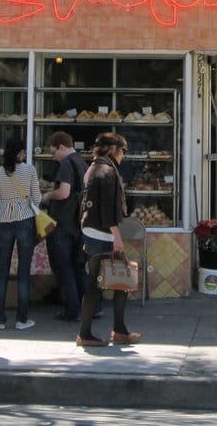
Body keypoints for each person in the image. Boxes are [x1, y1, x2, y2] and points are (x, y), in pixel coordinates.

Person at [77, 132, 142, 347]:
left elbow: (85, 202)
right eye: (123, 150)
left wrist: (85, 232)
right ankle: (87, 334)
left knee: (117, 282)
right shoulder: (107, 172)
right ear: (113, 149)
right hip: (103, 233)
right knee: (107, 282)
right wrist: (117, 238)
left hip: (92, 231)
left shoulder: (93, 168)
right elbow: (106, 209)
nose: (124, 155)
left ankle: (119, 330)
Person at [0, 138, 40, 331]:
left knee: (2, 272)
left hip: (4, 221)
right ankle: (22, 319)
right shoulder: (30, 170)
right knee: (24, 272)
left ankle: (0, 320)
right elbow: (37, 198)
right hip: (25, 220)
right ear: (21, 153)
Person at [41, 131, 90, 322]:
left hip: (63, 223)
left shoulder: (66, 164)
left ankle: (72, 310)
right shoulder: (82, 162)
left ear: (62, 147)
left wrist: (47, 196)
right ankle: (92, 308)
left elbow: (63, 192)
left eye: (54, 152)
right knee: (79, 266)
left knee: (63, 268)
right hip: (79, 224)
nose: (54, 157)